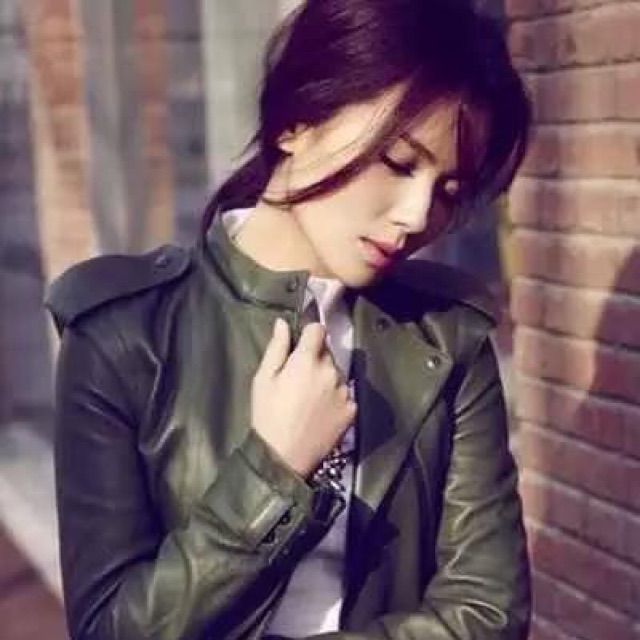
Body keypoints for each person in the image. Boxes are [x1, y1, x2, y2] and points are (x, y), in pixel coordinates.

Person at [45, 0, 533, 638]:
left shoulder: (447, 338)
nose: (418, 216)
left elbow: (486, 614)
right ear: (296, 120)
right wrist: (272, 471)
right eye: (399, 162)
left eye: (448, 190)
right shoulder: (123, 336)